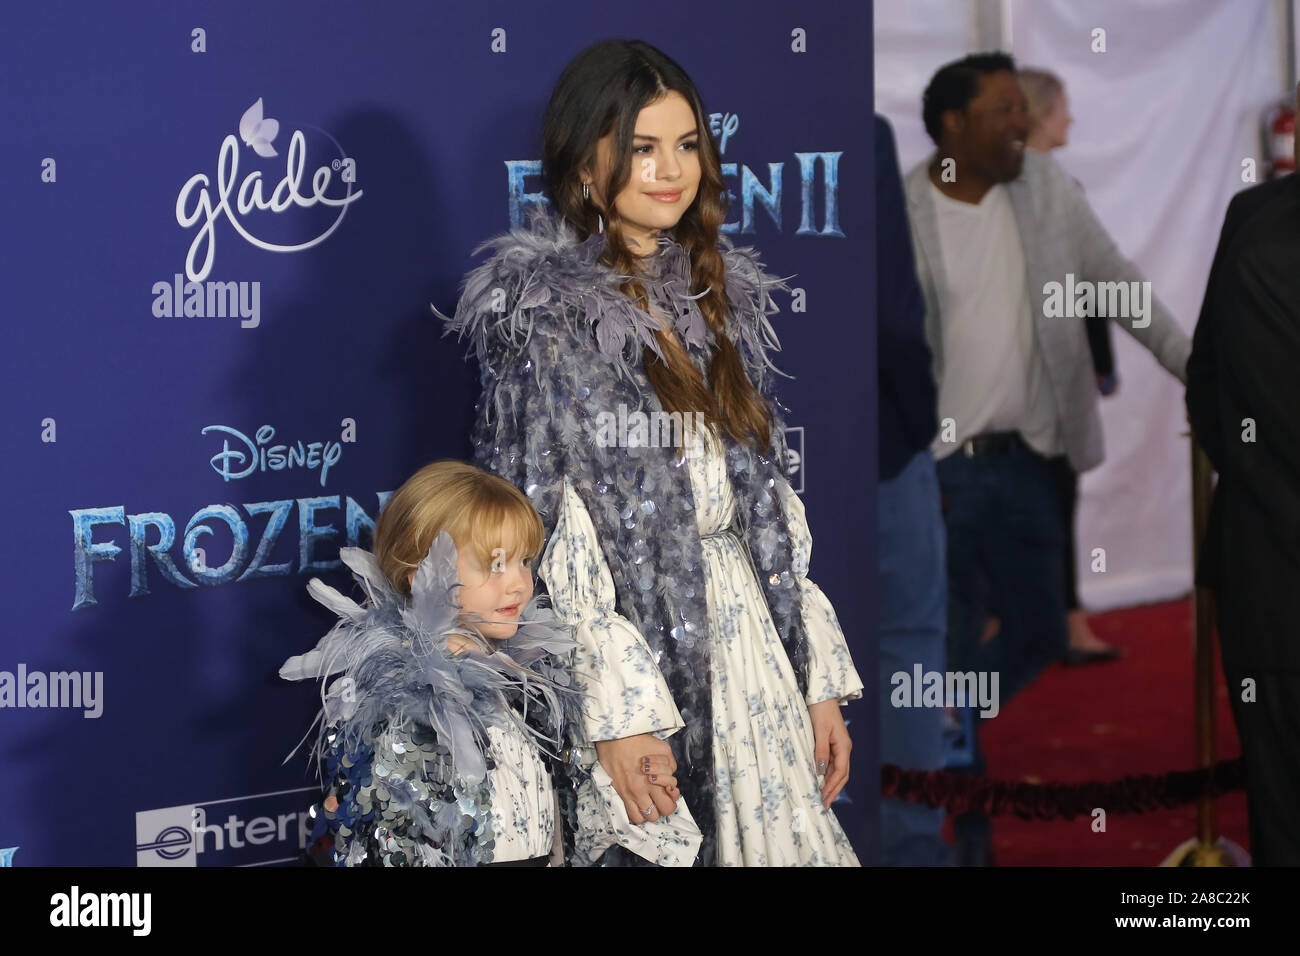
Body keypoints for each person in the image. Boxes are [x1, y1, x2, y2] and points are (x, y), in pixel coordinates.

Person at [438, 39, 863, 866]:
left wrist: (813, 678)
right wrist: (619, 714)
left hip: (753, 654)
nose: (670, 170)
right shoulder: (543, 323)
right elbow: (540, 535)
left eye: (686, 144)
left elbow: (763, 512)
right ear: (583, 165)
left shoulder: (716, 299)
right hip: (646, 672)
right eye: (641, 147)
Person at [904, 52, 1190, 863]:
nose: (1024, 124)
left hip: (1033, 461)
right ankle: (968, 833)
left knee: (1035, 635)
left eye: (1023, 110)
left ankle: (943, 722)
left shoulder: (1047, 190)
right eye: (1004, 111)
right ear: (954, 124)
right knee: (954, 650)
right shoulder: (901, 205)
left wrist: (1197, 366)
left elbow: (1119, 288)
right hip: (943, 473)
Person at [279, 460, 702, 866]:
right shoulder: (405, 710)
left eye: (523, 561)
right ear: (423, 574)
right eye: (495, 565)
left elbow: (561, 817)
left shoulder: (525, 689)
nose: (519, 582)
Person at [1186, 162, 1300, 866]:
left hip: (1268, 569)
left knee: (1281, 806)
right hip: (1266, 567)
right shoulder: (1254, 217)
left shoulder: (1253, 216)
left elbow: (1208, 388)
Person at [1018, 66, 1122, 666]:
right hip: (1045, 377)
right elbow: (1092, 284)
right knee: (1051, 500)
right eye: (1063, 108)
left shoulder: (1036, 185)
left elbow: (1089, 282)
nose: (1072, 119)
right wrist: (1098, 364)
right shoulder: (1048, 188)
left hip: (1036, 373)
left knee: (1041, 499)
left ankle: (1047, 619)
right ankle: (1064, 622)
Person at [874, 113, 948, 866]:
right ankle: (911, 849)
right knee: (908, 651)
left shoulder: (652, 124)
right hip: (881, 450)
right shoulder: (858, 134)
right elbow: (894, 311)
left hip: (727, 461)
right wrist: (920, 424)